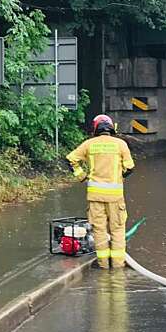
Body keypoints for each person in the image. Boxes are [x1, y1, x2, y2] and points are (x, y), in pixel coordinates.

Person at [66, 114, 135, 270]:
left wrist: (82, 176)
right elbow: (130, 168)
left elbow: (70, 159)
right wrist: (120, 177)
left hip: (95, 196)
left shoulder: (89, 144)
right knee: (117, 230)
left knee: (100, 230)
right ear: (112, 127)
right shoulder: (120, 144)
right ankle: (118, 266)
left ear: (95, 128)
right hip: (115, 198)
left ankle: (103, 265)